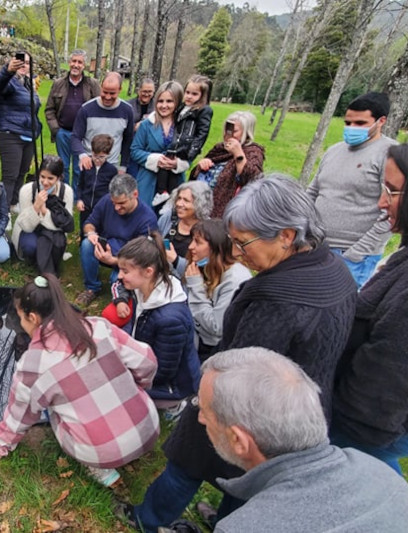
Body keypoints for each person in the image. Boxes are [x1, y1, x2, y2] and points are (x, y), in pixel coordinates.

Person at [132, 175, 358, 533]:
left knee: (186, 465)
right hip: (302, 413)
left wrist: (204, 406)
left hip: (246, 409)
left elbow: (240, 366)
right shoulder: (335, 269)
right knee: (258, 479)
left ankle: (149, 519)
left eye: (243, 242)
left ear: (285, 235)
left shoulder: (278, 299)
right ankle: (226, 522)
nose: (237, 253)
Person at [0, 274, 160, 489]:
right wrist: (137, 387)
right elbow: (147, 362)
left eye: (21, 317)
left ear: (33, 317)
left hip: (101, 451)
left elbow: (21, 412)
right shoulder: (98, 326)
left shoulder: (33, 364)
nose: (21, 323)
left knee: (50, 407)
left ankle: (99, 467)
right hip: (149, 428)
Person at [197, 348, 408, 532]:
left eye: (204, 410)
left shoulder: (242, 528)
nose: (200, 418)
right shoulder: (378, 471)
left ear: (239, 441)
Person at [332, 143, 408, 474]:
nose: (381, 202)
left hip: (365, 424)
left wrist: (351, 430)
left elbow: (390, 368)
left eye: (392, 191)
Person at [306, 92, 397, 288]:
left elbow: (392, 211)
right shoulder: (334, 151)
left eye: (360, 123)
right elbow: (313, 192)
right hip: (315, 247)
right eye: (348, 123)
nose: (351, 128)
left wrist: (357, 253)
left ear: (381, 121)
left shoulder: (390, 154)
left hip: (353, 256)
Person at [102, 234, 200, 414]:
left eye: (125, 271)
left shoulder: (170, 320)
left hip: (172, 387)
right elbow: (120, 285)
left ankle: (174, 406)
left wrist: (123, 371)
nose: (120, 275)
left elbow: (163, 371)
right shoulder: (147, 284)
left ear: (148, 271)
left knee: (107, 388)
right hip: (144, 354)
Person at [76, 173, 158, 307]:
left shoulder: (147, 219)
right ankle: (92, 288)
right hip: (107, 247)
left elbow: (142, 258)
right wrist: (91, 233)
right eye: (114, 203)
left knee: (117, 279)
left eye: (121, 203)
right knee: (86, 245)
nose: (116, 208)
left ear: (135, 195)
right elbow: (89, 222)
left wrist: (114, 261)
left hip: (129, 260)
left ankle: (121, 298)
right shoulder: (106, 201)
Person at [183, 220, 251, 361]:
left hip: (215, 352)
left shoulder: (235, 280)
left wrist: (196, 287)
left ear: (215, 246)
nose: (191, 247)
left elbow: (216, 327)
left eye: (198, 242)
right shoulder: (204, 267)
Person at [44, 49, 100, 198]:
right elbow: (49, 109)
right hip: (63, 132)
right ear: (69, 63)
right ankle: (64, 193)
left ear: (84, 65)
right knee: (63, 167)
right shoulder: (58, 84)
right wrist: (56, 130)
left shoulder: (92, 84)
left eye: (79, 62)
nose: (76, 65)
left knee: (79, 167)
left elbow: (99, 108)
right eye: (74, 61)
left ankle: (76, 196)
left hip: (83, 135)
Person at [0, 51, 41, 210]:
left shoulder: (28, 84)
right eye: (20, 62)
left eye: (27, 63)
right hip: (11, 133)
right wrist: (8, 70)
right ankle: (2, 212)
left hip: (28, 135)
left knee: (22, 172)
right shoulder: (9, 81)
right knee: (10, 175)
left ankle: (13, 203)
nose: (23, 65)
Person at [191, 111, 264, 219]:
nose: (228, 134)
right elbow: (195, 175)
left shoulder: (253, 152)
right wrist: (201, 165)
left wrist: (238, 154)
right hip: (200, 202)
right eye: (227, 129)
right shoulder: (220, 148)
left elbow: (252, 180)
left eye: (234, 131)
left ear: (246, 132)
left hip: (225, 209)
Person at [12, 155, 74, 276]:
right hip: (31, 230)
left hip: (54, 231)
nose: (45, 182)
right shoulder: (27, 190)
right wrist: (36, 207)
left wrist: (45, 213)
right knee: (31, 246)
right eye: (42, 177)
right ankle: (35, 260)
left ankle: (49, 264)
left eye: (50, 178)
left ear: (59, 178)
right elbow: (25, 226)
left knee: (55, 241)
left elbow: (66, 225)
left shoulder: (66, 192)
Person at [129, 81, 188, 209]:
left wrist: (178, 163)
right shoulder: (146, 124)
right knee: (146, 218)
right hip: (148, 180)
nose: (164, 106)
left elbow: (191, 152)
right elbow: (134, 150)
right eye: (160, 101)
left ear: (178, 101)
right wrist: (156, 159)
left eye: (169, 101)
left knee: (172, 216)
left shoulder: (184, 126)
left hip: (174, 179)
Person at [72, 72, 135, 173]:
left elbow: (128, 140)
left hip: (112, 165)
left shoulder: (127, 110)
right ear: (101, 87)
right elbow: (75, 137)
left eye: (112, 93)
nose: (108, 97)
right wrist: (82, 155)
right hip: (89, 164)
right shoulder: (86, 109)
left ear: (119, 90)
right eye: (105, 92)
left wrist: (123, 166)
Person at [156, 181, 213, 279]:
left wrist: (176, 260)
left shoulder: (209, 229)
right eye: (179, 198)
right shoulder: (168, 218)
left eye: (186, 201)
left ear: (199, 204)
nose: (179, 204)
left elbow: (205, 270)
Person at [76, 134, 117, 235]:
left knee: (101, 230)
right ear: (91, 152)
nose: (97, 160)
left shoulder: (111, 170)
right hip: (85, 206)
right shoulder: (87, 166)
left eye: (101, 157)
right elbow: (80, 184)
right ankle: (83, 248)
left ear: (109, 154)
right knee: (84, 230)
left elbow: (113, 191)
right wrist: (79, 199)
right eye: (95, 156)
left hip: (101, 207)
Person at [171, 74, 213, 165]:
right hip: (173, 148)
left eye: (194, 94)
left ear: (203, 96)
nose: (189, 96)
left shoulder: (203, 110)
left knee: (177, 176)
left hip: (185, 151)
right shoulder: (181, 107)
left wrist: (190, 154)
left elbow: (202, 134)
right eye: (187, 92)